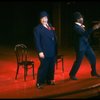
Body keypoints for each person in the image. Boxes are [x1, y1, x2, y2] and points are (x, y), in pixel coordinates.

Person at [69, 11, 100, 80]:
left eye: (82, 17)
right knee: (78, 61)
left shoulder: (81, 26)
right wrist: (93, 28)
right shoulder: (75, 27)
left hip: (86, 45)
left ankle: (93, 72)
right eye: (80, 18)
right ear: (77, 19)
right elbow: (84, 34)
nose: (82, 19)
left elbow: (86, 35)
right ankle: (72, 74)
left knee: (93, 58)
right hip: (80, 47)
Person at [34, 11, 57, 88]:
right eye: (42, 18)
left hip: (52, 50)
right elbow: (37, 41)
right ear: (40, 20)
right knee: (44, 67)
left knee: (51, 66)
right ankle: (39, 83)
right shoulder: (37, 29)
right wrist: (40, 51)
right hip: (43, 51)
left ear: (47, 18)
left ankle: (49, 80)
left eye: (45, 18)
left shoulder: (50, 26)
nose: (44, 20)